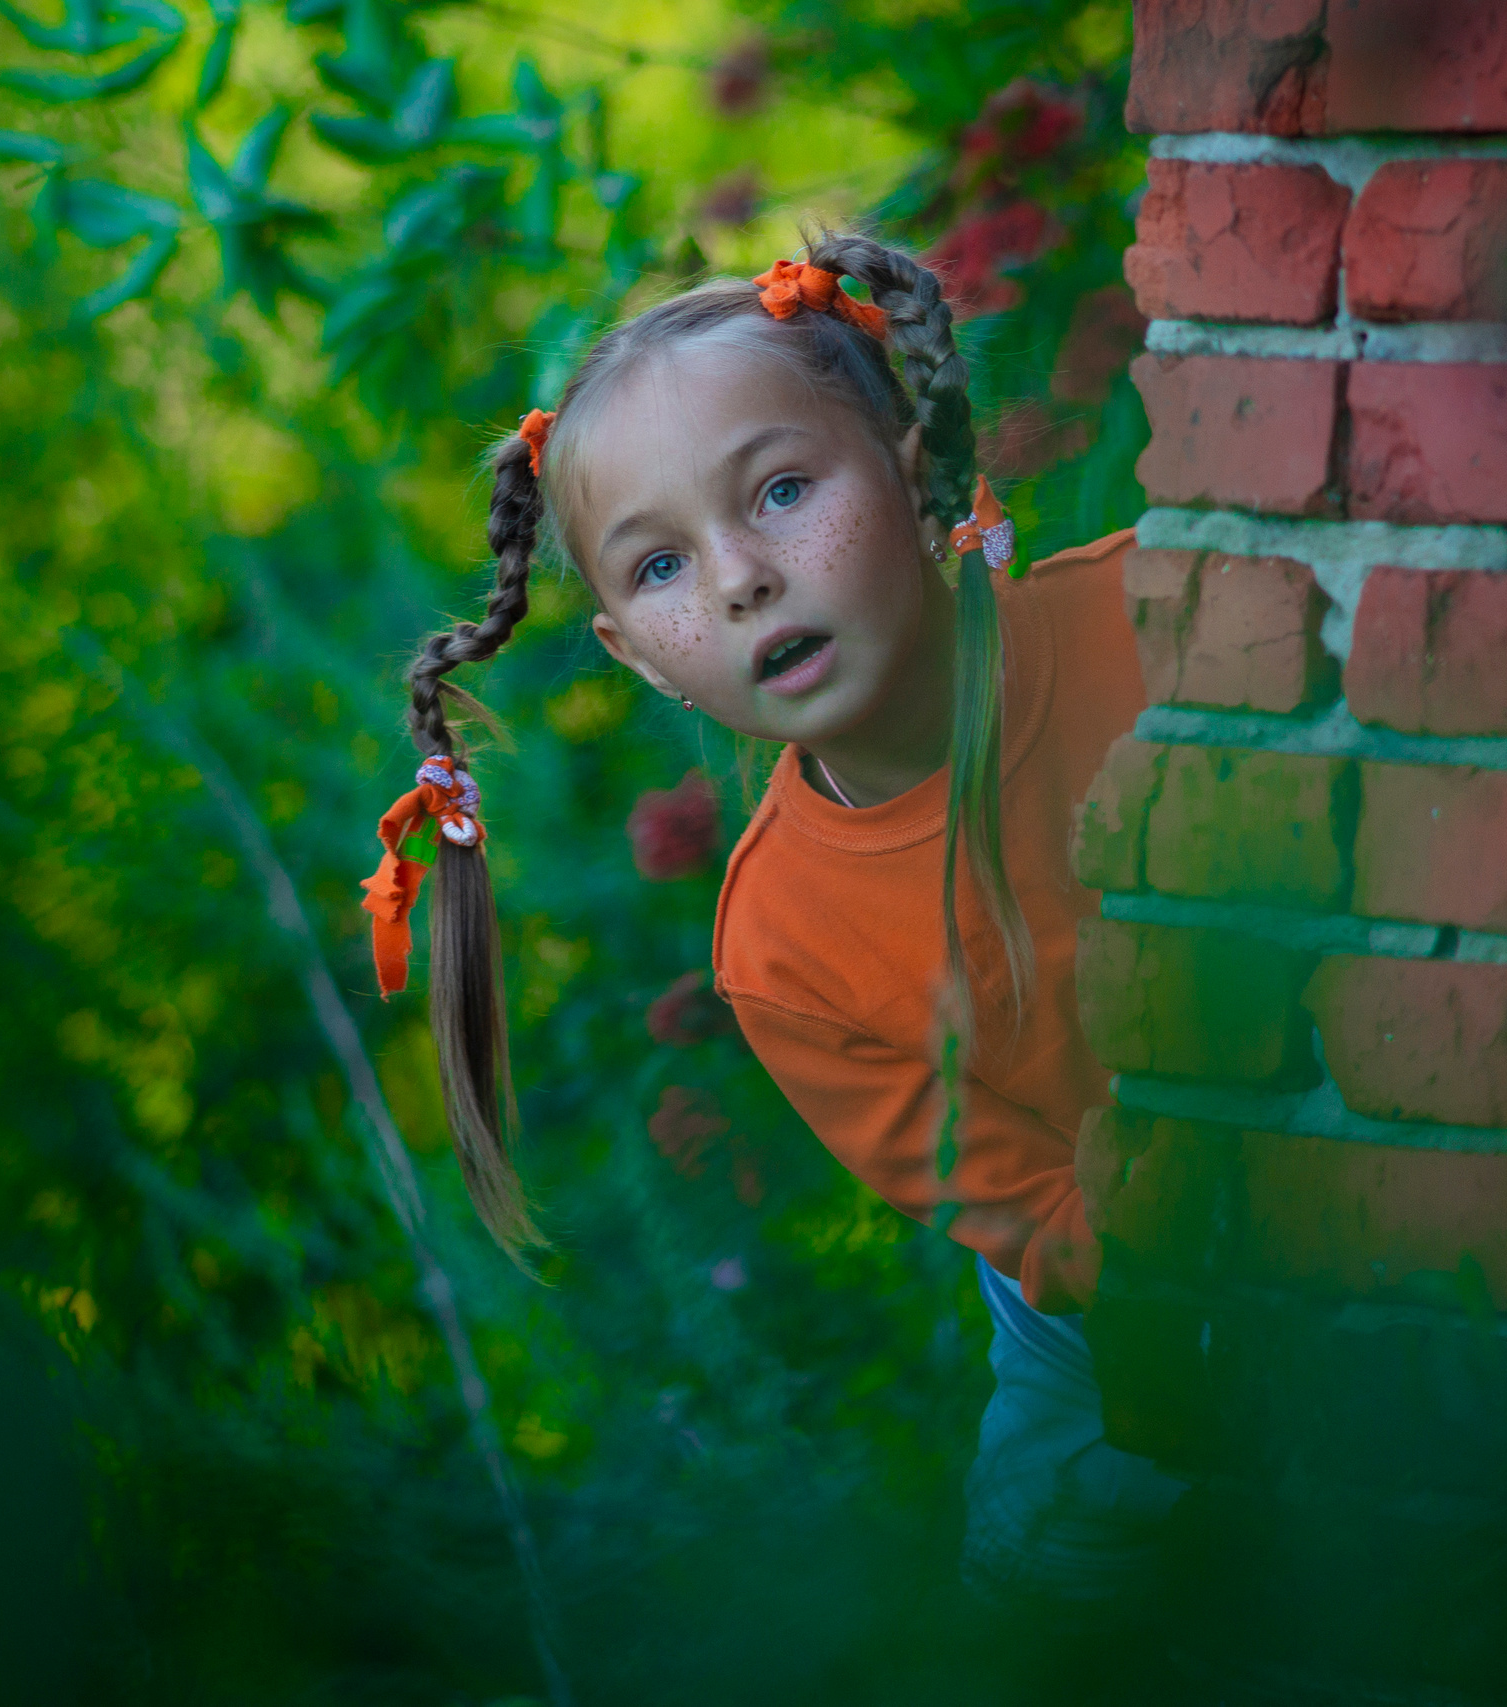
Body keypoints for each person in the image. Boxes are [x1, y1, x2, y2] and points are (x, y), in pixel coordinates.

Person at [356, 232, 1181, 1603]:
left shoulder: (1168, 615)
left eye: (784, 490)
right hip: (1101, 1314)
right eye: (661, 569)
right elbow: (1025, 1210)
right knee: (1059, 1594)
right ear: (634, 656)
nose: (739, 577)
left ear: (914, 473)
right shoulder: (782, 947)